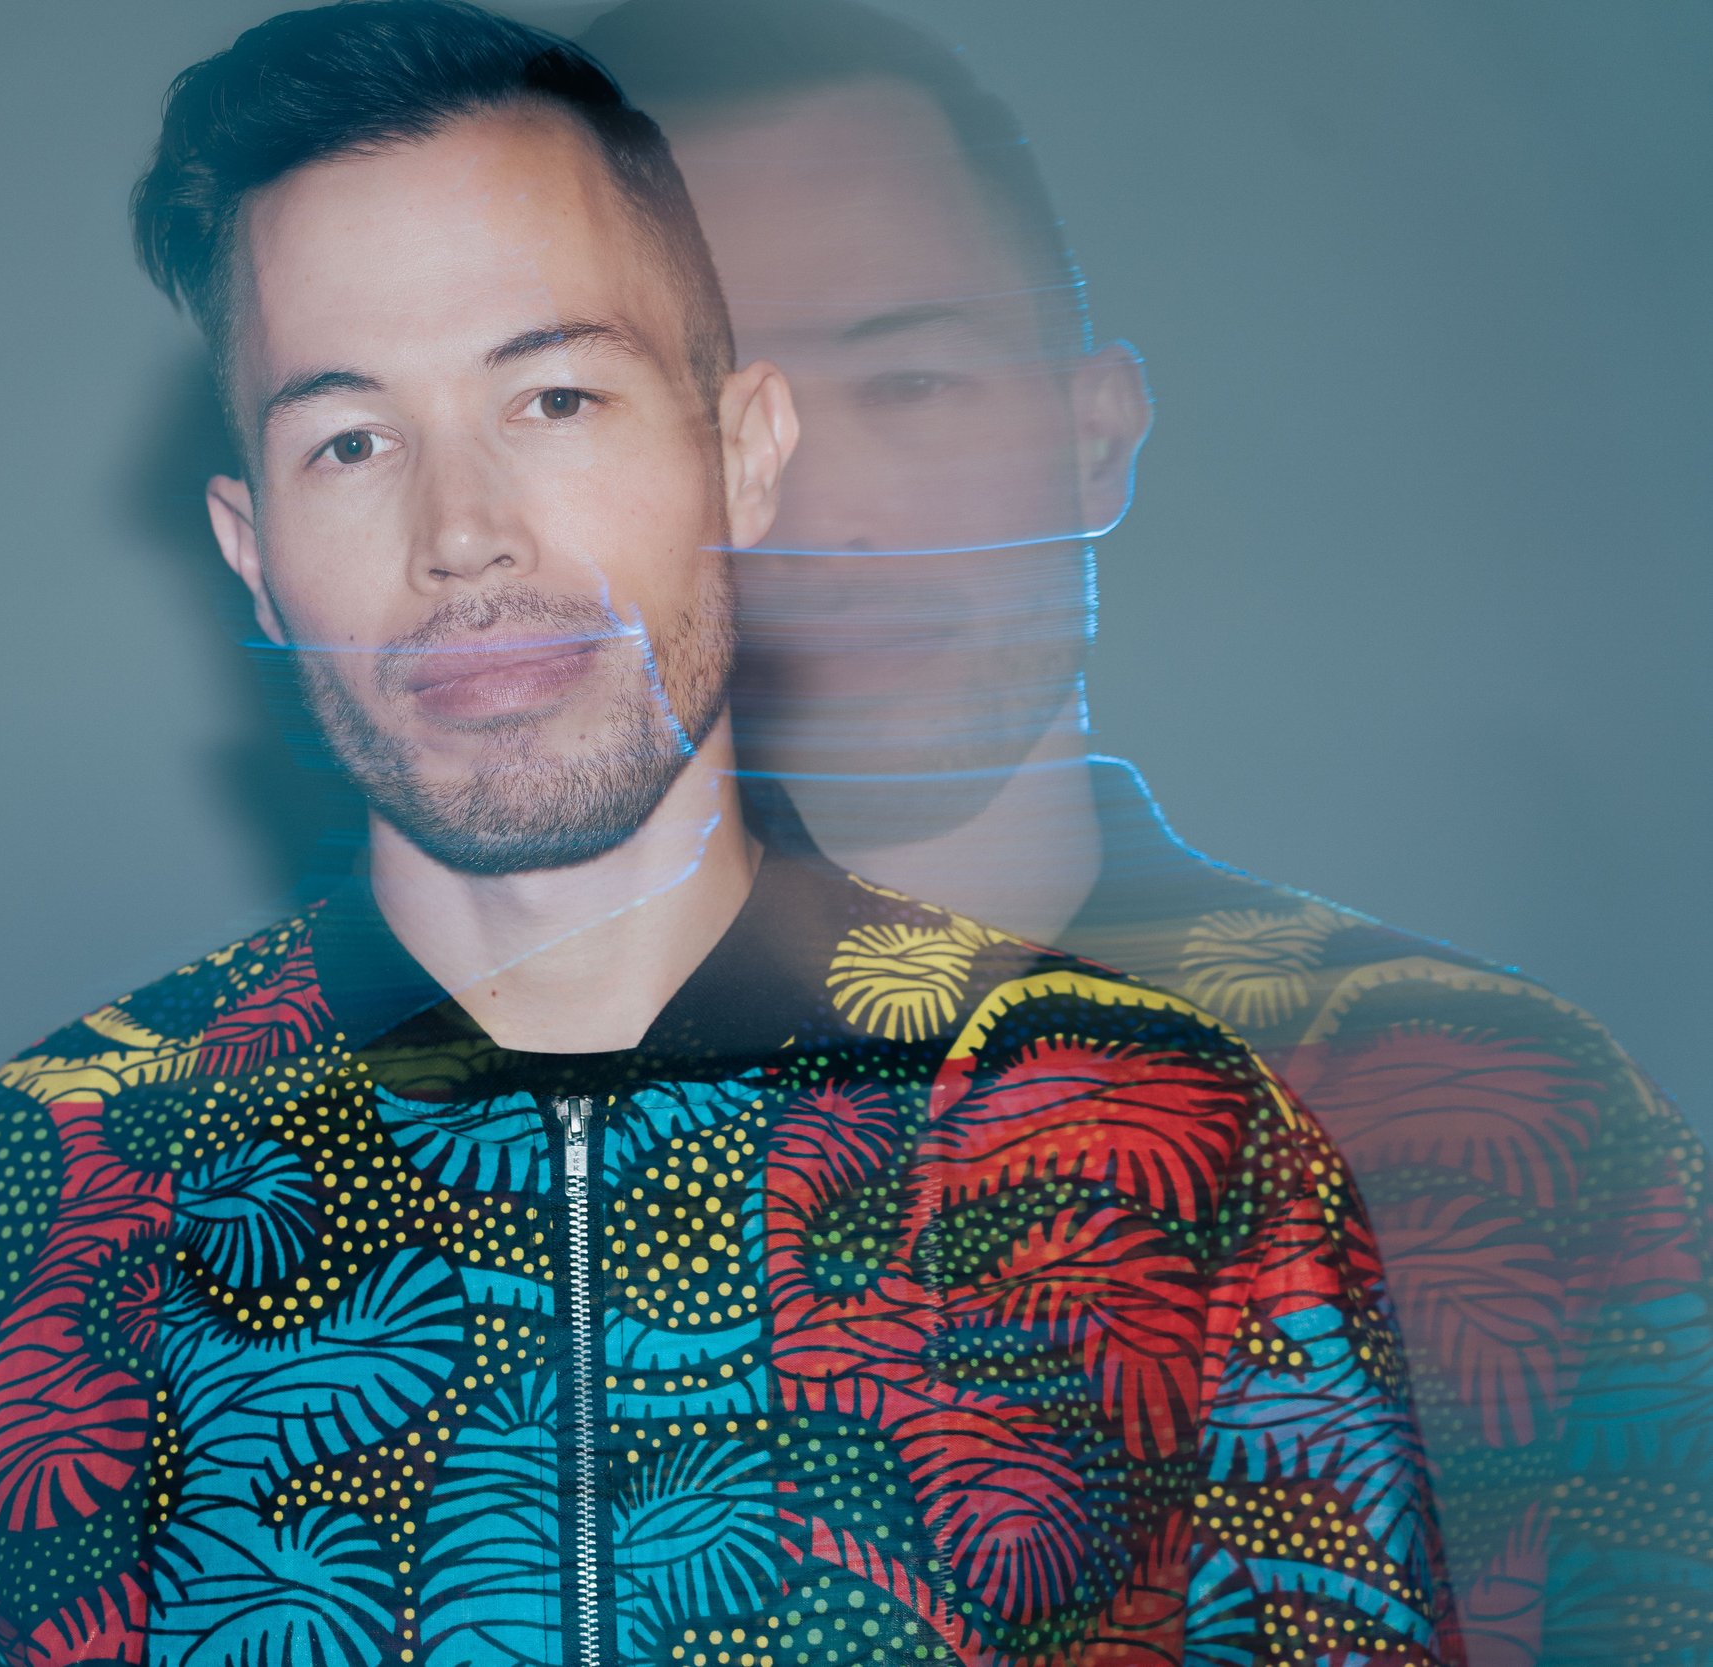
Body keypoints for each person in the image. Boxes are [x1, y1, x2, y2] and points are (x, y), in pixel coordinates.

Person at [0, 6, 1455, 1664]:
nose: (464, 537)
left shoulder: (1162, 1138)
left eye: (557, 399)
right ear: (250, 545)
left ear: (744, 454)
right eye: (350, 440)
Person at [572, 4, 1713, 1664]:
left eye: (909, 377)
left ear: (1095, 433)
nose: (817, 508)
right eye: (706, 413)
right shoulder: (341, 1158)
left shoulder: (1503, 1109)